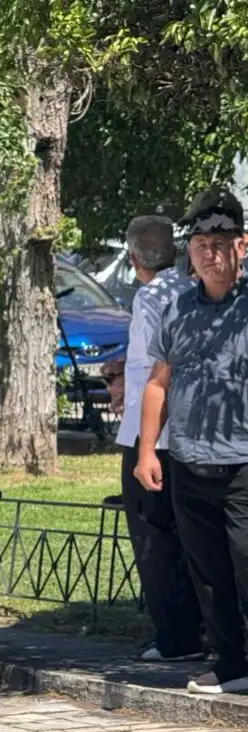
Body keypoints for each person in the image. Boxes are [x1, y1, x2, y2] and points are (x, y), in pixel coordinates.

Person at [138, 186, 248, 695]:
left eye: (220, 243)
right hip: (188, 461)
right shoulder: (177, 309)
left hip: (242, 463)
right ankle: (231, 666)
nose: (210, 253)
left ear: (241, 246)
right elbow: (158, 383)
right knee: (208, 571)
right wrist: (146, 451)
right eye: (201, 244)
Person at [115, 216, 204, 663]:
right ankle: (204, 628)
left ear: (134, 259)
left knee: (153, 536)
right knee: (189, 536)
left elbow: (159, 367)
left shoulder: (150, 297)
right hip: (188, 433)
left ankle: (176, 637)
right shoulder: (191, 291)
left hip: (149, 434)